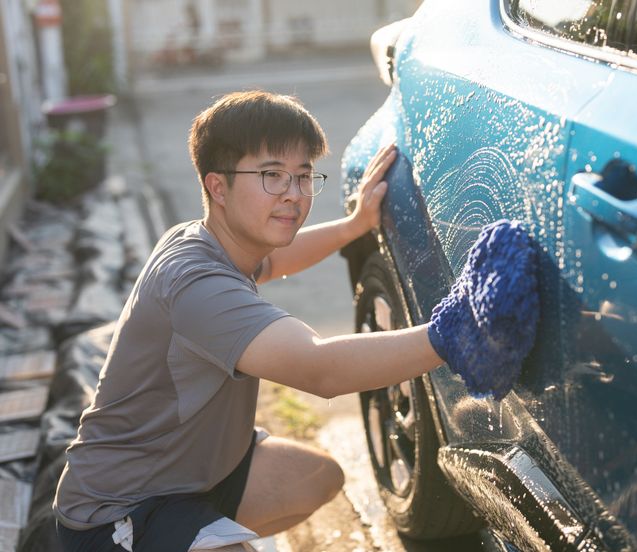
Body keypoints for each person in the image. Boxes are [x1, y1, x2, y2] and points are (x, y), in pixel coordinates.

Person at [53, 90, 444, 552]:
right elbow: (321, 368)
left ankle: (199, 532)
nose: (294, 196)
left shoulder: (211, 241)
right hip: (117, 512)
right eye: (272, 176)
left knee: (318, 476)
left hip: (192, 477)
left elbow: (277, 260)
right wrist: (451, 335)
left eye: (302, 177)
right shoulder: (195, 283)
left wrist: (354, 225)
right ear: (218, 187)